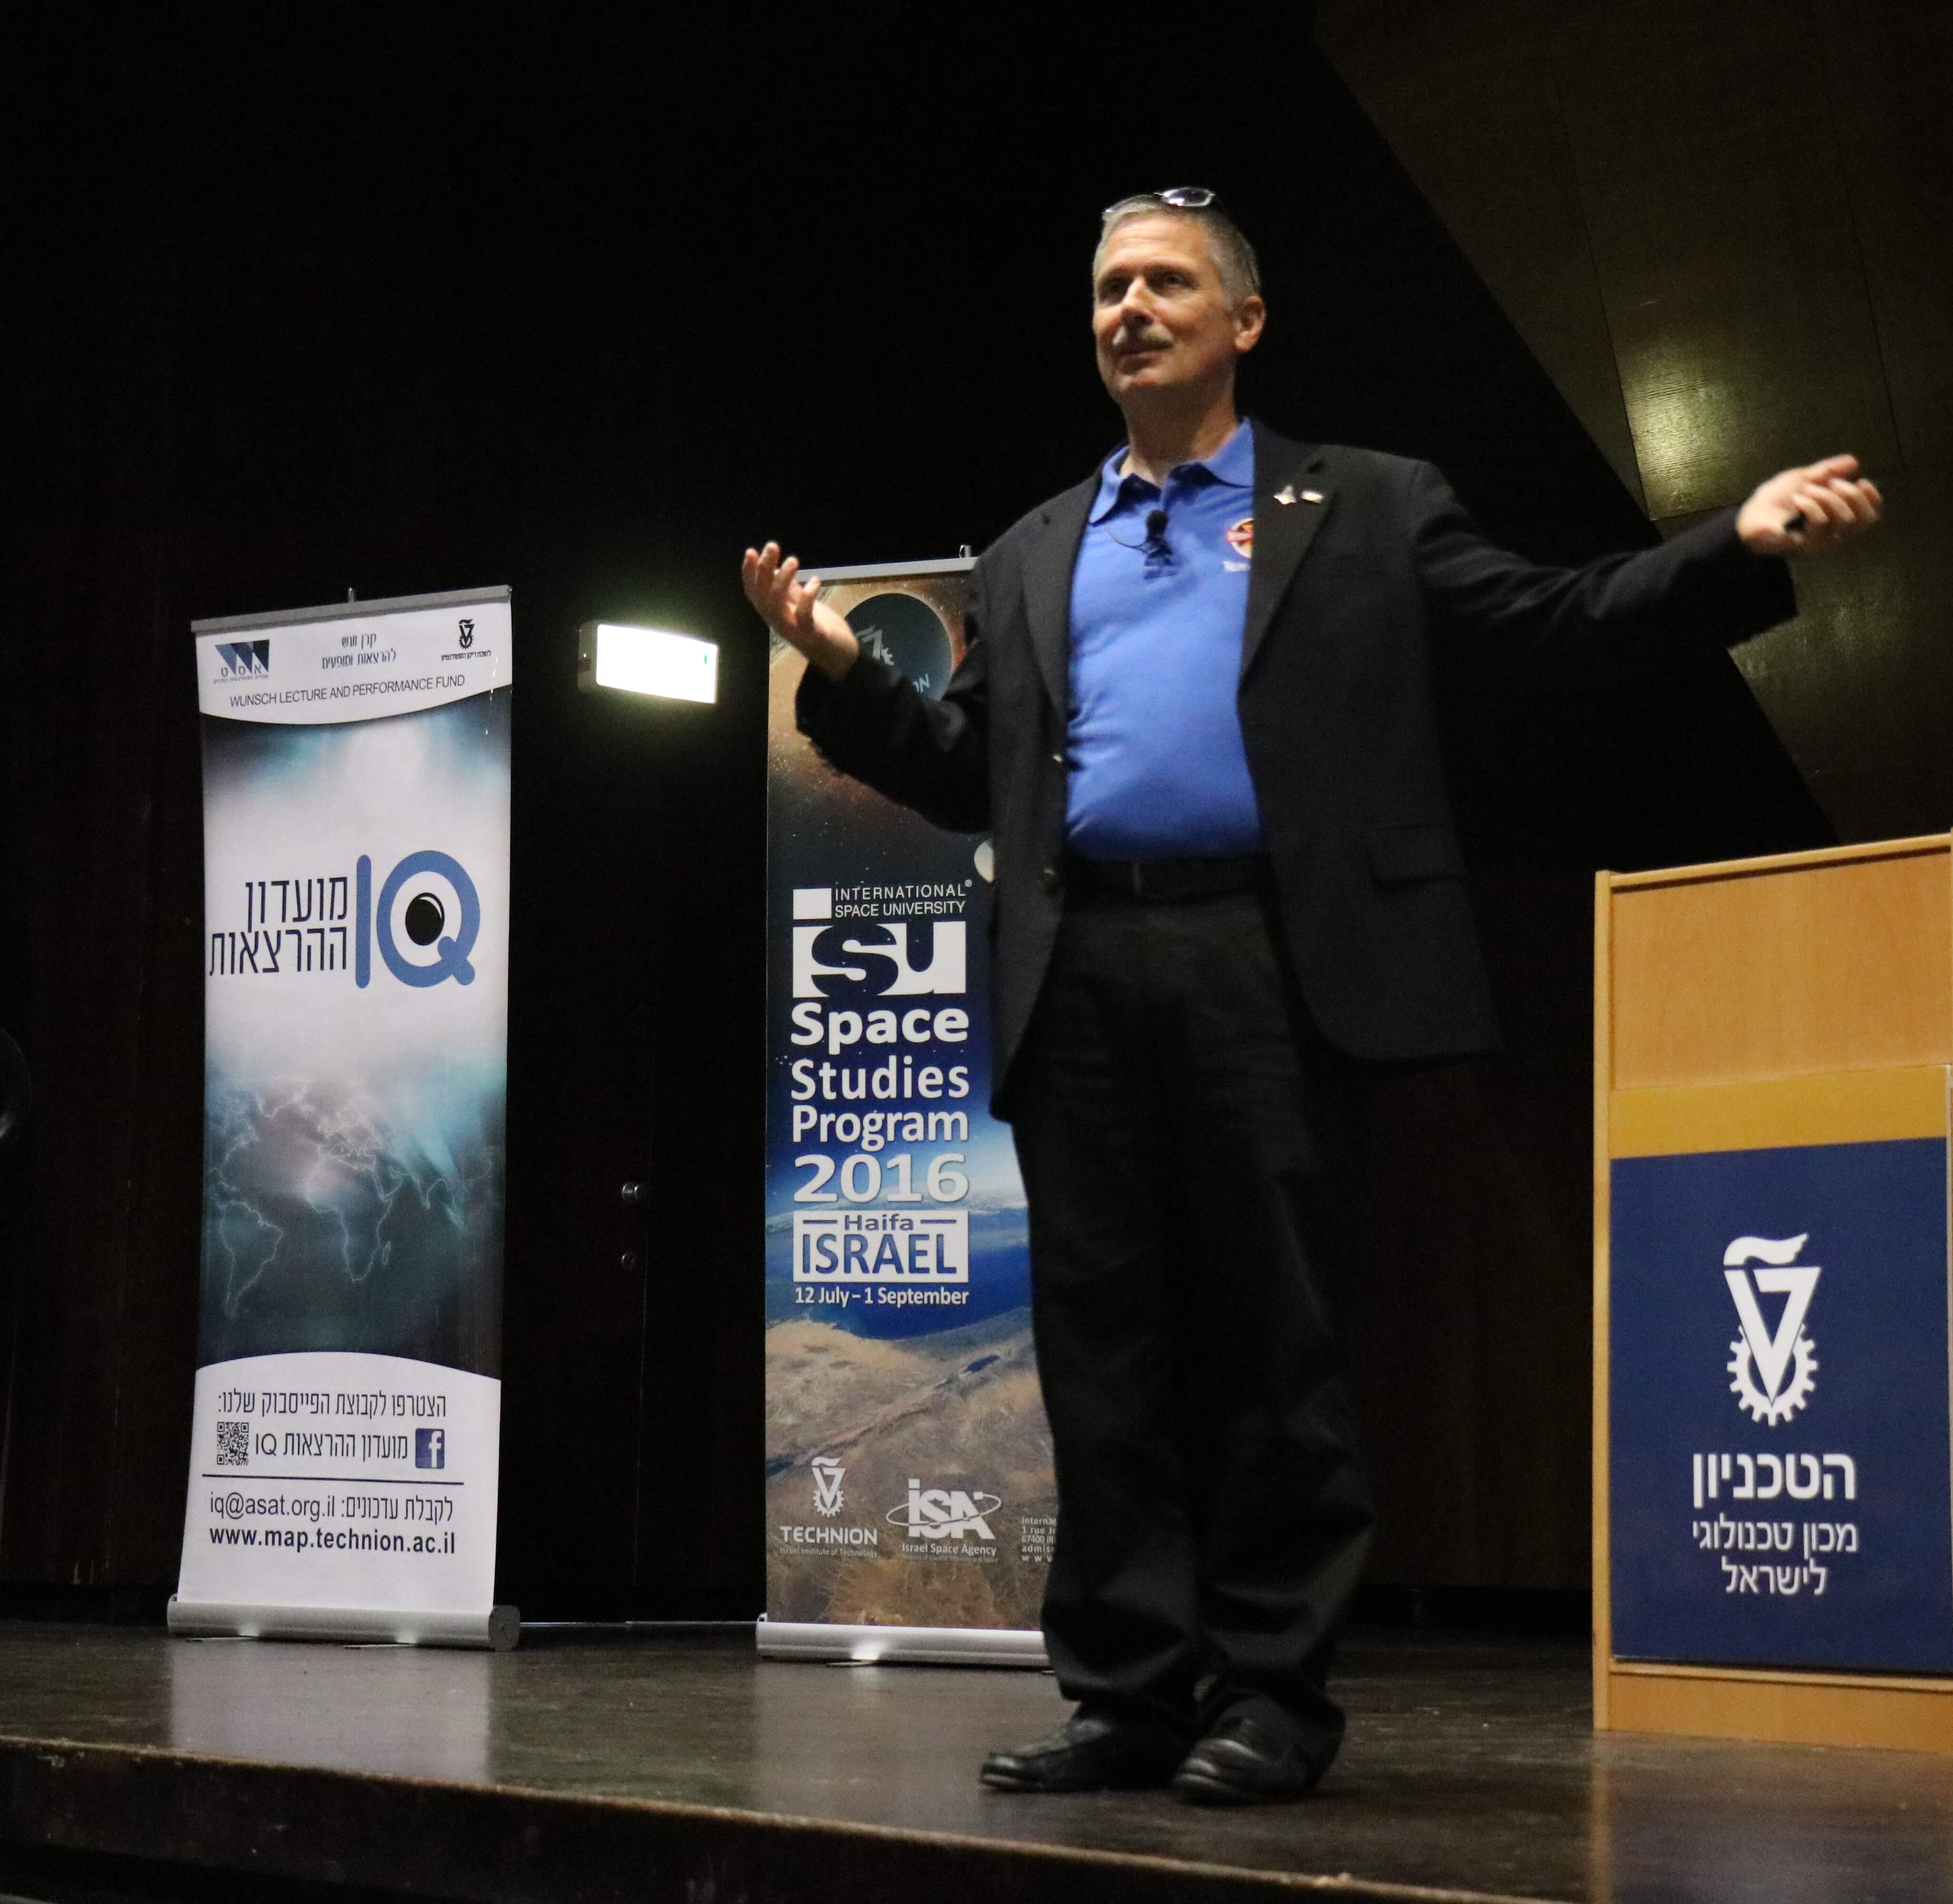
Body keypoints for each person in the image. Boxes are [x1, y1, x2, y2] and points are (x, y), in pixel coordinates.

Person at [741, 188, 1881, 1806]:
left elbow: (1554, 624)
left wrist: (1735, 550)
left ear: (1244, 321)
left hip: (1270, 962)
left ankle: (1271, 1693)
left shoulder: (1367, 505)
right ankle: (1130, 1696)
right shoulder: (1030, 548)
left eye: (1167, 283)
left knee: (1277, 1348)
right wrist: (847, 671)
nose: (1130, 308)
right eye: (1109, 287)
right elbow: (961, 776)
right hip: (1080, 973)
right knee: (1105, 1355)